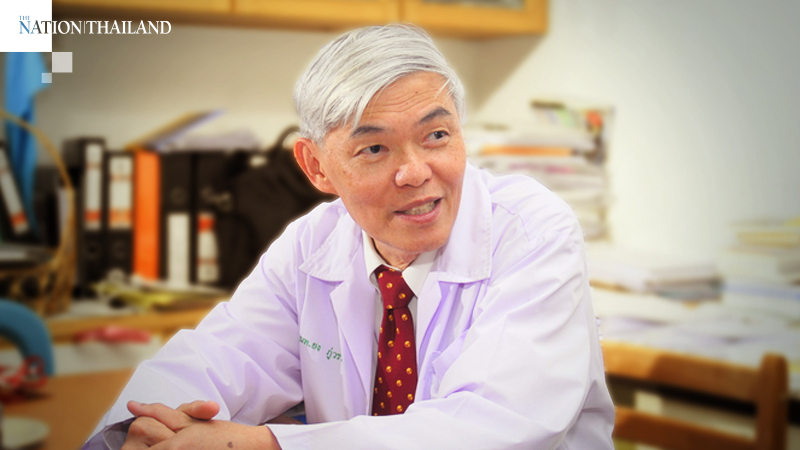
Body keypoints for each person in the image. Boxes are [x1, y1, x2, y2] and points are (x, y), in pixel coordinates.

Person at [83, 24, 614, 450]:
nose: (415, 172)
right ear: (316, 167)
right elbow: (219, 356)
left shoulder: (533, 232)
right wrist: (142, 429)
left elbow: (490, 428)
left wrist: (269, 443)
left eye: (436, 135)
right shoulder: (310, 245)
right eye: (374, 149)